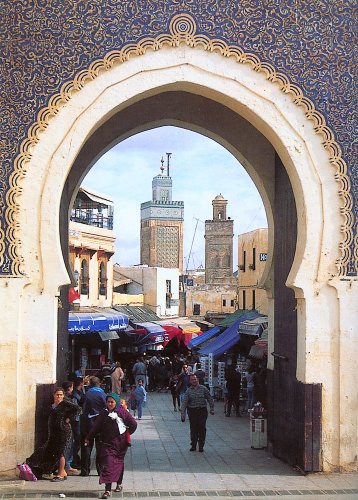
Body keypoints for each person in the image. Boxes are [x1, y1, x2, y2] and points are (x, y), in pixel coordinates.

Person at [85, 393, 137, 499]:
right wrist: (88, 437)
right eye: (108, 402)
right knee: (108, 464)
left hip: (121, 444)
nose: (109, 404)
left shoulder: (122, 411)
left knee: (119, 462)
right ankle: (107, 490)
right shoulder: (104, 413)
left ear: (116, 402)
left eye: (112, 402)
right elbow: (96, 426)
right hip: (107, 443)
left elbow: (133, 424)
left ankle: (119, 483)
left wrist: (126, 433)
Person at [26, 387, 81, 481]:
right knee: (53, 451)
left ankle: (61, 473)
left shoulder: (65, 404)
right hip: (53, 432)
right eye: (57, 394)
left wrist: (69, 418)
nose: (59, 396)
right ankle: (53, 471)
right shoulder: (52, 406)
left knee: (61, 452)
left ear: (63, 396)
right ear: (54, 395)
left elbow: (78, 409)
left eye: (61, 395)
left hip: (63, 431)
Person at [80, 376, 106, 476]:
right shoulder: (103, 394)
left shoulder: (86, 394)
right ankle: (101, 470)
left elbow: (82, 407)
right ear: (99, 383)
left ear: (90, 384)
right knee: (100, 448)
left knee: (86, 447)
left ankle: (85, 470)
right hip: (100, 425)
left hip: (87, 424)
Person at [181, 374, 214, 452]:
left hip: (202, 411)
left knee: (202, 428)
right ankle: (193, 444)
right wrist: (183, 413)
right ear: (190, 381)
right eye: (192, 380)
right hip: (192, 412)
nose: (194, 381)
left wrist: (212, 408)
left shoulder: (203, 389)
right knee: (193, 429)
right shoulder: (188, 391)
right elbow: (184, 402)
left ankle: (201, 445)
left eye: (195, 379)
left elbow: (209, 398)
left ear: (198, 380)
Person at [61, 381, 80, 475]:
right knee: (68, 445)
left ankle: (67, 465)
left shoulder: (69, 398)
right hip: (69, 425)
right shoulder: (70, 399)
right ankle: (66, 466)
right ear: (69, 388)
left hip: (69, 424)